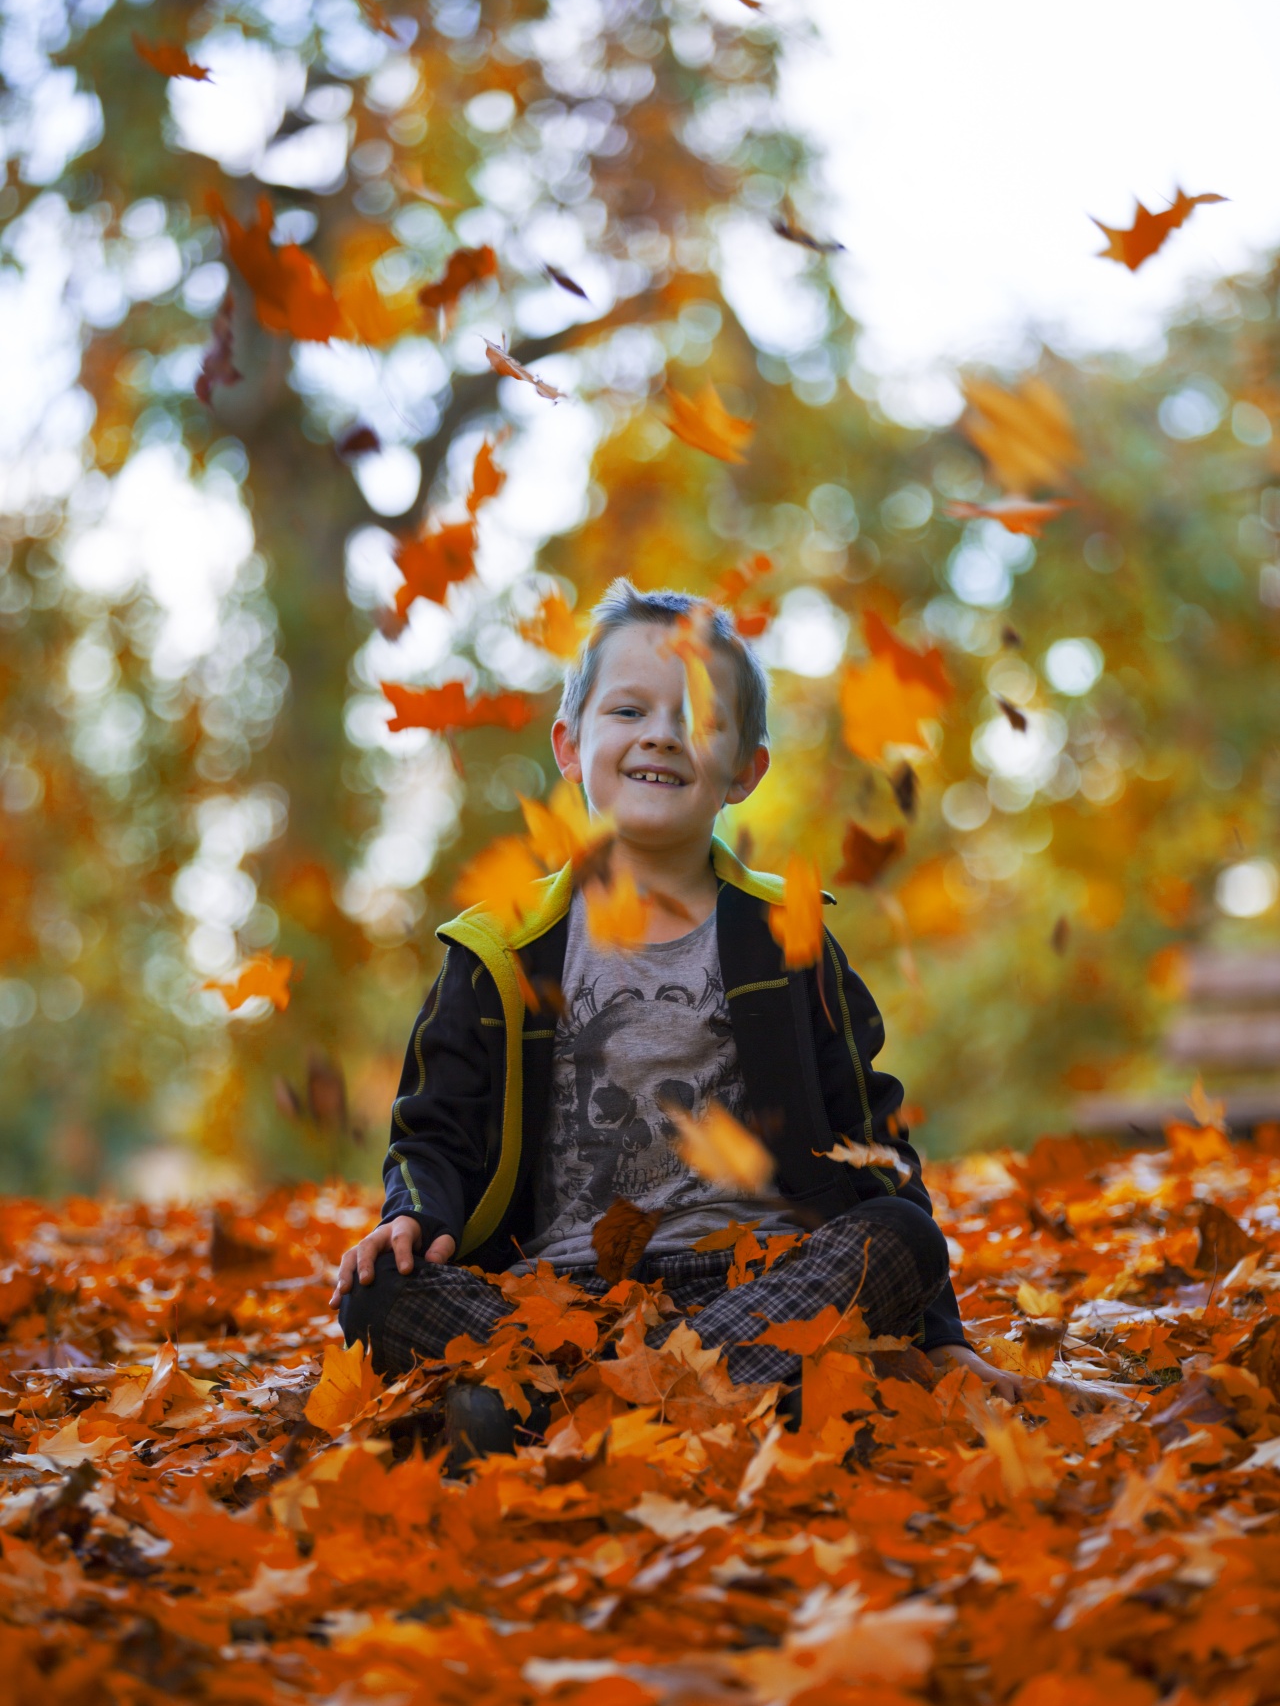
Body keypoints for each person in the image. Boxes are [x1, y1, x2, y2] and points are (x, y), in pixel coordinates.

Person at [332, 580, 1022, 1457]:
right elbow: (434, 1133)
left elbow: (871, 1137)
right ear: (570, 745)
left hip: (760, 1282)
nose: (661, 732)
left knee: (903, 1236)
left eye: (695, 717)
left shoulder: (789, 940)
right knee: (375, 1292)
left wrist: (940, 1337)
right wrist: (413, 1217)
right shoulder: (499, 951)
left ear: (745, 770)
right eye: (628, 709)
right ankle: (710, 1403)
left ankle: (562, 1414)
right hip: (561, 1302)